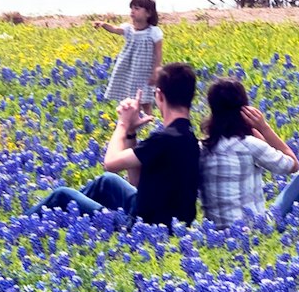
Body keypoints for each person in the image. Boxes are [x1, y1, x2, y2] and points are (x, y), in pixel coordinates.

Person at [40, 60, 201, 225]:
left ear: (159, 95)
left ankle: (23, 230)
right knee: (107, 181)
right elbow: (137, 183)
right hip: (159, 216)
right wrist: (131, 133)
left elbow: (110, 162)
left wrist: (123, 124)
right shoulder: (188, 137)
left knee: (62, 195)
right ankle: (67, 222)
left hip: (142, 226)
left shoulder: (164, 139)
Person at [197, 77, 299, 226]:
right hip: (257, 228)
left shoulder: (201, 147)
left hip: (214, 232)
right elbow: (293, 165)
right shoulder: (249, 145)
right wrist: (264, 127)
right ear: (245, 109)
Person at [101, 0, 163, 108]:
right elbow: (115, 29)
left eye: (137, 9)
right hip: (129, 69)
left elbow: (158, 52)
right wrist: (104, 25)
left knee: (145, 101)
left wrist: (156, 71)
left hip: (145, 71)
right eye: (132, 8)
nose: (133, 11)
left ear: (148, 13)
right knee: (128, 99)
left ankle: (148, 123)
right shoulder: (128, 29)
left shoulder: (154, 31)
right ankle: (128, 120)